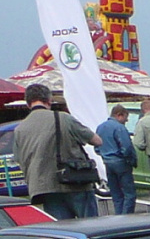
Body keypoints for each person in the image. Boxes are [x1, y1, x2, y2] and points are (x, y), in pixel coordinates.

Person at [12, 84, 102, 220]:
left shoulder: (19, 129)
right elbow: (96, 140)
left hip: (44, 187)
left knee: (61, 229)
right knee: (90, 225)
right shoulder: (63, 118)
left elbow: (18, 158)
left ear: (28, 103)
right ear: (49, 100)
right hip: (74, 182)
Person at [97, 104, 137, 215]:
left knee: (116, 194)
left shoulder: (100, 127)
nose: (126, 121)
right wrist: (129, 159)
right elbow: (127, 147)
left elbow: (97, 147)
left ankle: (119, 217)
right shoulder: (119, 127)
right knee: (129, 194)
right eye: (125, 117)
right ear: (119, 115)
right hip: (121, 162)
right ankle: (127, 217)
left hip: (107, 162)